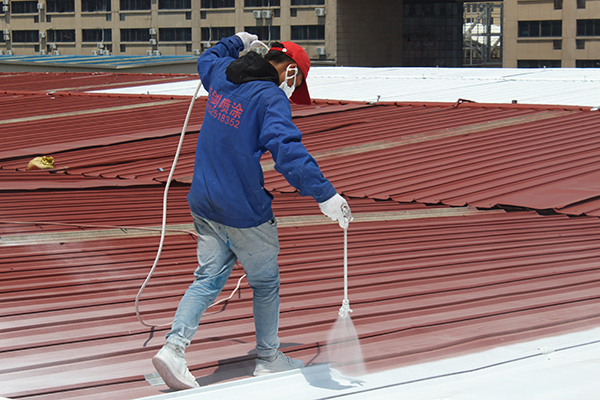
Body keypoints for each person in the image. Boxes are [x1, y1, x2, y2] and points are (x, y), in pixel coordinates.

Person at [152, 32, 352, 391]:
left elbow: (206, 58)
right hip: (243, 208)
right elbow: (286, 149)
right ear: (289, 69)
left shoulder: (224, 73)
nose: (294, 89)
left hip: (204, 200)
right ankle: (269, 358)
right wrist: (325, 195)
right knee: (265, 283)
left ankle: (173, 349)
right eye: (299, 80)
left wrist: (236, 40)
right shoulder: (270, 97)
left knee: (207, 279)